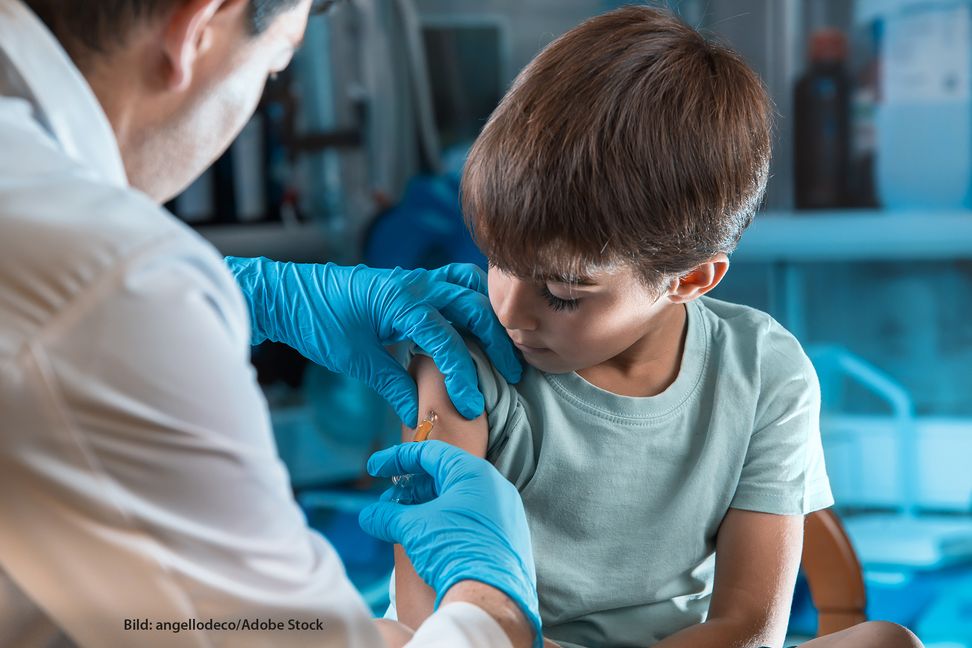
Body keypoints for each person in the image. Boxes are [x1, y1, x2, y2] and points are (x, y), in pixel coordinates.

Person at [0, 0, 544, 646]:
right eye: (274, 68)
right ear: (199, 27)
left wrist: (254, 293)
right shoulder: (106, 288)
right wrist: (492, 605)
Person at [387, 6, 924, 648]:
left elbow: (748, 625)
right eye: (498, 260)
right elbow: (432, 615)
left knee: (885, 642)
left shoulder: (764, 373)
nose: (507, 311)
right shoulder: (461, 355)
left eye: (561, 292)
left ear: (689, 280)